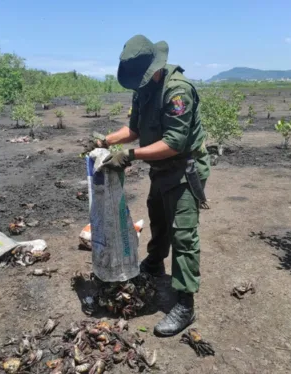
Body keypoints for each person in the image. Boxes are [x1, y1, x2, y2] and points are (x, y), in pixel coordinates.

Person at [85, 34, 210, 337]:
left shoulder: (177, 92)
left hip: (183, 170)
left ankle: (185, 303)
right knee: (158, 219)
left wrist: (128, 156)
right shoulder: (143, 90)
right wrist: (108, 140)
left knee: (184, 235)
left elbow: (174, 143)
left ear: (156, 66)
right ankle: (155, 264)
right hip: (160, 170)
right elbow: (136, 128)